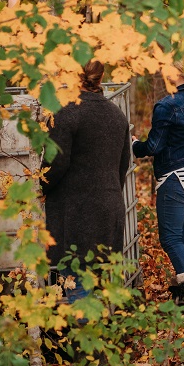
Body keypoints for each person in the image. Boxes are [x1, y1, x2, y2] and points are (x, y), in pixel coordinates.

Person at [43, 60, 132, 303]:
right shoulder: (117, 115)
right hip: (109, 209)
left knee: (77, 284)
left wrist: (39, 189)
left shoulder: (67, 113)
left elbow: (55, 166)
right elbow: (122, 166)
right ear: (101, 78)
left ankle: (84, 337)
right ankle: (100, 336)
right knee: (98, 283)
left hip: (75, 214)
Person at [133, 61, 184, 304]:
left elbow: (154, 147)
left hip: (177, 177)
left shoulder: (167, 106)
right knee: (181, 238)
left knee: (170, 239)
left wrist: (133, 145)